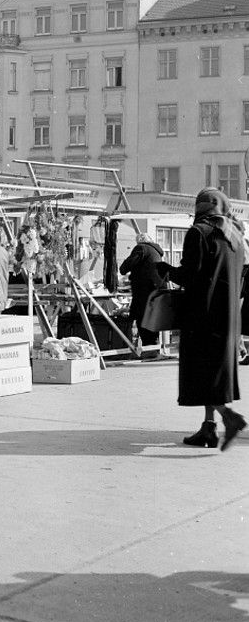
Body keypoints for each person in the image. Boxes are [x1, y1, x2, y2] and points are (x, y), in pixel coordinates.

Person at [157, 188, 246, 451]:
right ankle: (209, 429)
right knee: (214, 374)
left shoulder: (199, 232)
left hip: (203, 316)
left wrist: (166, 270)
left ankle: (229, 418)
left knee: (201, 374)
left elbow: (190, 275)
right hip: (228, 317)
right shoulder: (236, 236)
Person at [119, 233, 165, 354]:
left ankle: (149, 351)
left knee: (142, 321)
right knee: (152, 322)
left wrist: (126, 267)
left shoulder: (141, 248)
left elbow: (124, 268)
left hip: (144, 293)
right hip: (156, 293)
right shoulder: (156, 251)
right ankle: (154, 350)